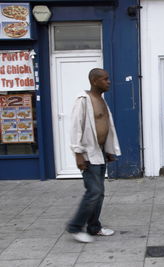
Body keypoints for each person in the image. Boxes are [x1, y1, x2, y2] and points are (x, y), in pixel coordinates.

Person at [66, 68, 121, 243]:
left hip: (100, 153)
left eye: (108, 78)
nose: (109, 81)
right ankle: (75, 227)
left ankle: (94, 227)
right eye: (105, 79)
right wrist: (78, 154)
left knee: (99, 193)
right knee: (94, 192)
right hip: (88, 155)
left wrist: (110, 150)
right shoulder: (83, 99)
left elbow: (106, 126)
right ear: (95, 81)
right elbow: (76, 127)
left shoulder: (101, 100)